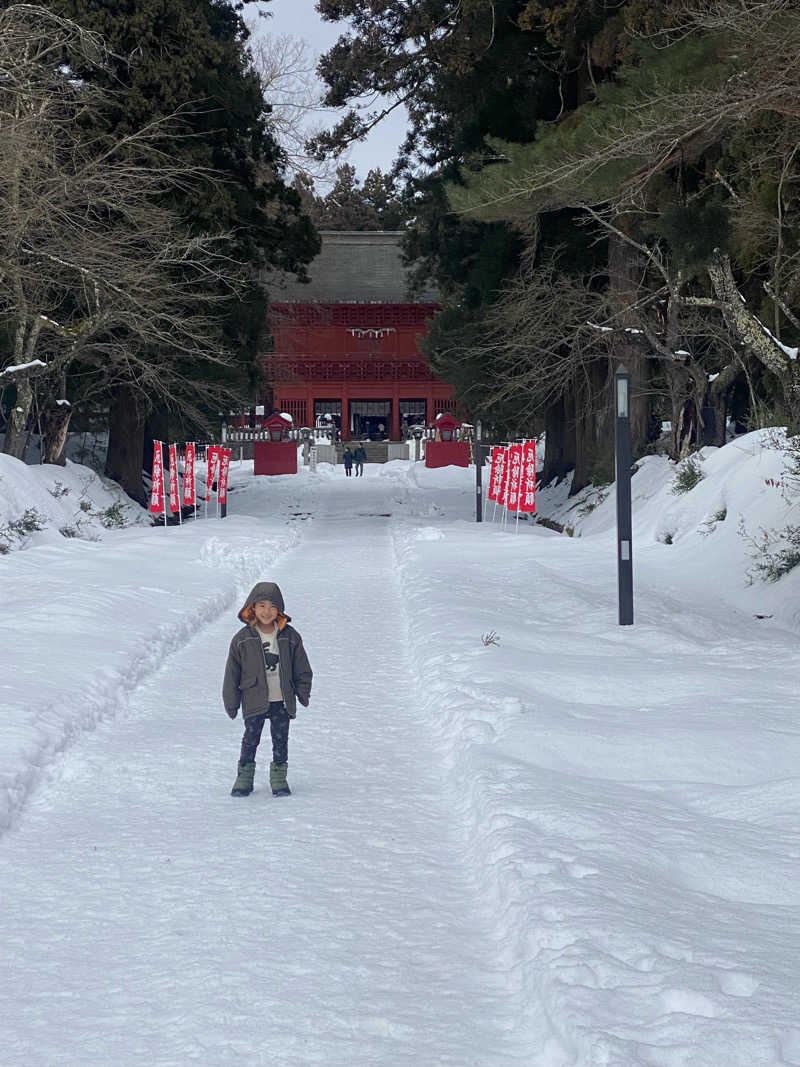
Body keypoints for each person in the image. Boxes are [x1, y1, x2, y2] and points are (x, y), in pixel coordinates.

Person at [222, 582, 312, 798]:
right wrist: (231, 702)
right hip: (254, 698)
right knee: (250, 739)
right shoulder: (242, 640)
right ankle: (244, 778)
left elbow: (302, 667)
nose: (266, 611)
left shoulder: (290, 636)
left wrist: (302, 691)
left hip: (281, 699)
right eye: (261, 605)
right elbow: (232, 673)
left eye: (272, 607)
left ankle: (279, 779)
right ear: (252, 608)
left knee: (280, 739)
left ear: (279, 610)